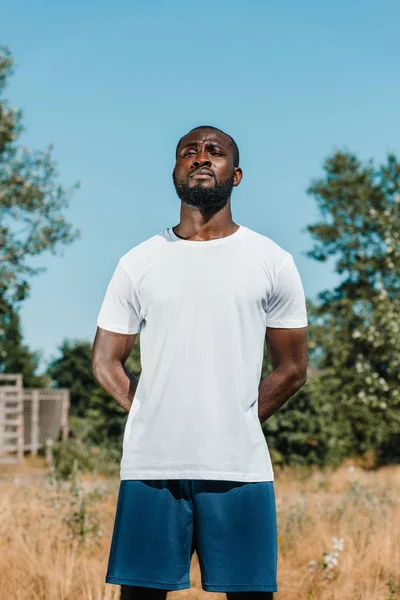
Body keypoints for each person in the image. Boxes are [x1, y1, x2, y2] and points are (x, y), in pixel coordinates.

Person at [92, 125, 308, 600]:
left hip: (240, 468)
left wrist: (237, 419)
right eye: (189, 152)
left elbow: (292, 369)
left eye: (215, 152)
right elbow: (106, 362)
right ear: (175, 171)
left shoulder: (272, 261)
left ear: (237, 174)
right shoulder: (138, 262)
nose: (201, 157)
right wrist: (155, 412)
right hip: (152, 467)